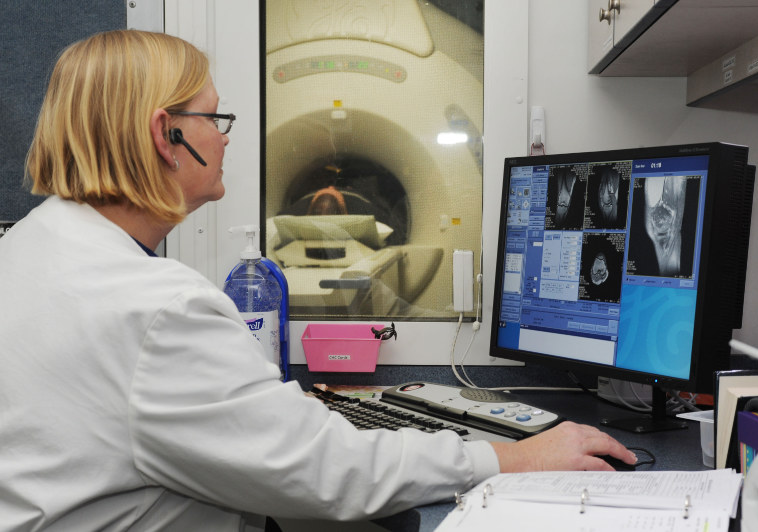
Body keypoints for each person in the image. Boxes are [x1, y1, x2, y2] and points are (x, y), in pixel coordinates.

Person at [0, 30, 635, 531]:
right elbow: (329, 471)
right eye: (215, 120)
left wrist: (257, 409)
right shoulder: (155, 308)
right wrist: (515, 457)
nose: (224, 141)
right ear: (166, 136)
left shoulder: (28, 247)